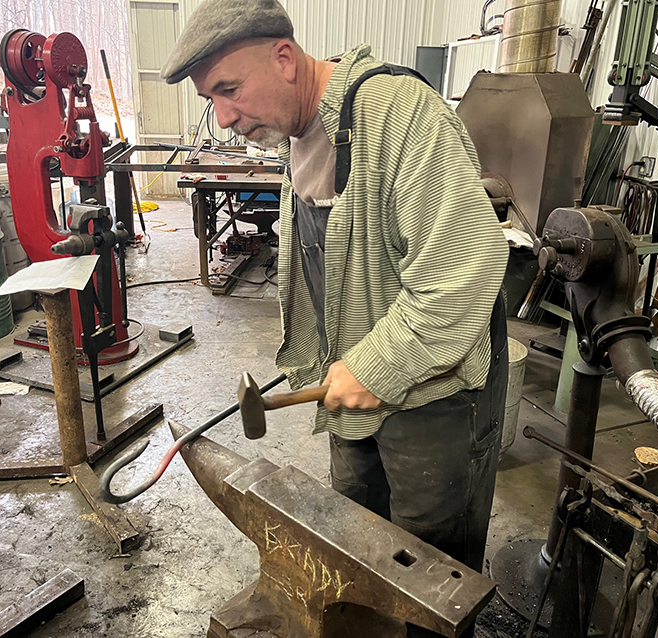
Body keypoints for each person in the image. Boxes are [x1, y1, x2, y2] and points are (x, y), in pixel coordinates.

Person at [162, 0, 509, 632]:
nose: (225, 117)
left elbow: (462, 275)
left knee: (430, 573)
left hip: (434, 398)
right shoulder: (300, 135)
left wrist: (373, 366)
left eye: (230, 90)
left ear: (286, 58)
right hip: (350, 392)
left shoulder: (400, 117)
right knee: (352, 542)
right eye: (213, 99)